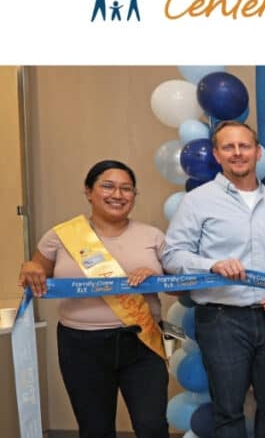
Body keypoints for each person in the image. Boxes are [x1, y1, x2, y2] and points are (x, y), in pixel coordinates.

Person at [18, 160, 168, 438]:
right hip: (81, 347)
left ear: (134, 195)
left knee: (152, 427)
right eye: (107, 186)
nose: (118, 194)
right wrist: (30, 268)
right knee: (95, 429)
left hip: (142, 343)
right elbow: (38, 269)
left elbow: (178, 287)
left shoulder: (153, 236)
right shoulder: (62, 236)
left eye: (126, 188)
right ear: (89, 192)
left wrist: (155, 277)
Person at [162, 121, 265, 438]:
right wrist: (212, 264)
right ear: (217, 155)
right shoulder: (198, 201)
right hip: (222, 320)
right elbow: (171, 256)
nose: (238, 153)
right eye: (229, 147)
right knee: (228, 412)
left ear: (257, 152)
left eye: (244, 146)